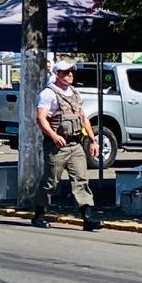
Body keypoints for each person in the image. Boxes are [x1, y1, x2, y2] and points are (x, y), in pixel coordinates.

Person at [31, 61, 103, 231]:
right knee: (50, 182)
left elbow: (83, 117)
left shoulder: (75, 93)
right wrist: (54, 135)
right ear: (57, 74)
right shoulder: (48, 94)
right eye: (65, 72)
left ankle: (87, 218)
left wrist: (93, 140)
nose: (70, 74)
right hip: (57, 146)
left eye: (71, 71)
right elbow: (40, 118)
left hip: (76, 144)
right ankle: (39, 214)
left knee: (81, 180)